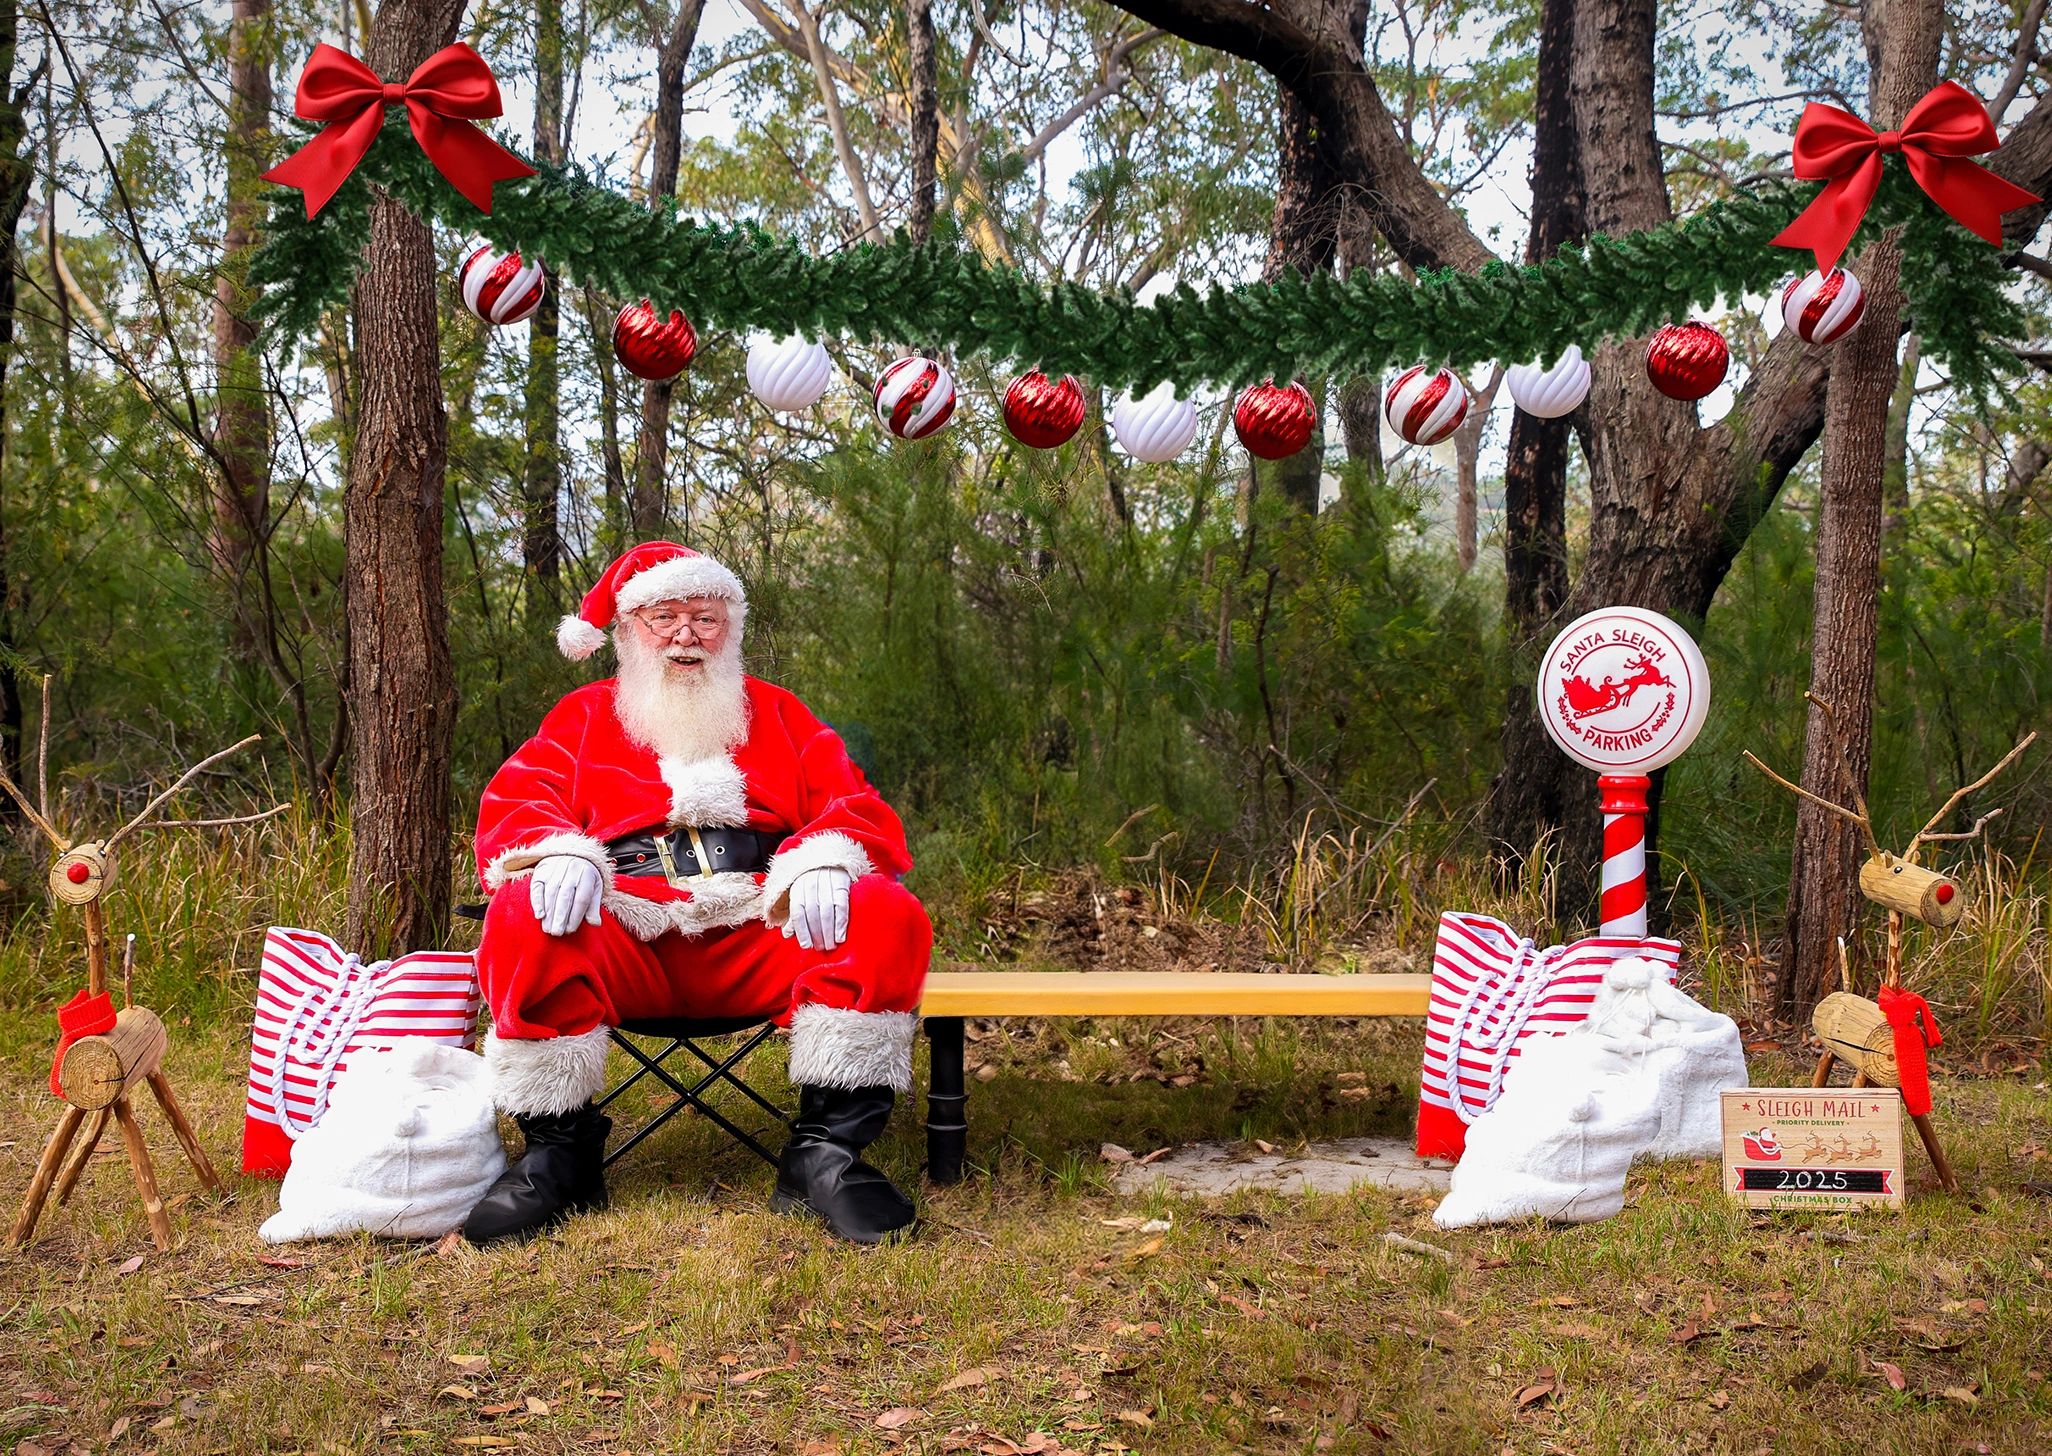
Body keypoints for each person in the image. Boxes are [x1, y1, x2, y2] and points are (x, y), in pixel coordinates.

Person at [464, 541, 931, 1246]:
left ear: (731, 630)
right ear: (627, 631)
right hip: (626, 937)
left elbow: (856, 806)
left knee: (885, 910)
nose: (687, 635)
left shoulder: (780, 714)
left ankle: (824, 1159)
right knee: (522, 911)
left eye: (705, 618)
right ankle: (558, 1160)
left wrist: (820, 860)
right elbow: (517, 800)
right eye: (665, 617)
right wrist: (559, 853)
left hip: (756, 935)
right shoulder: (583, 716)